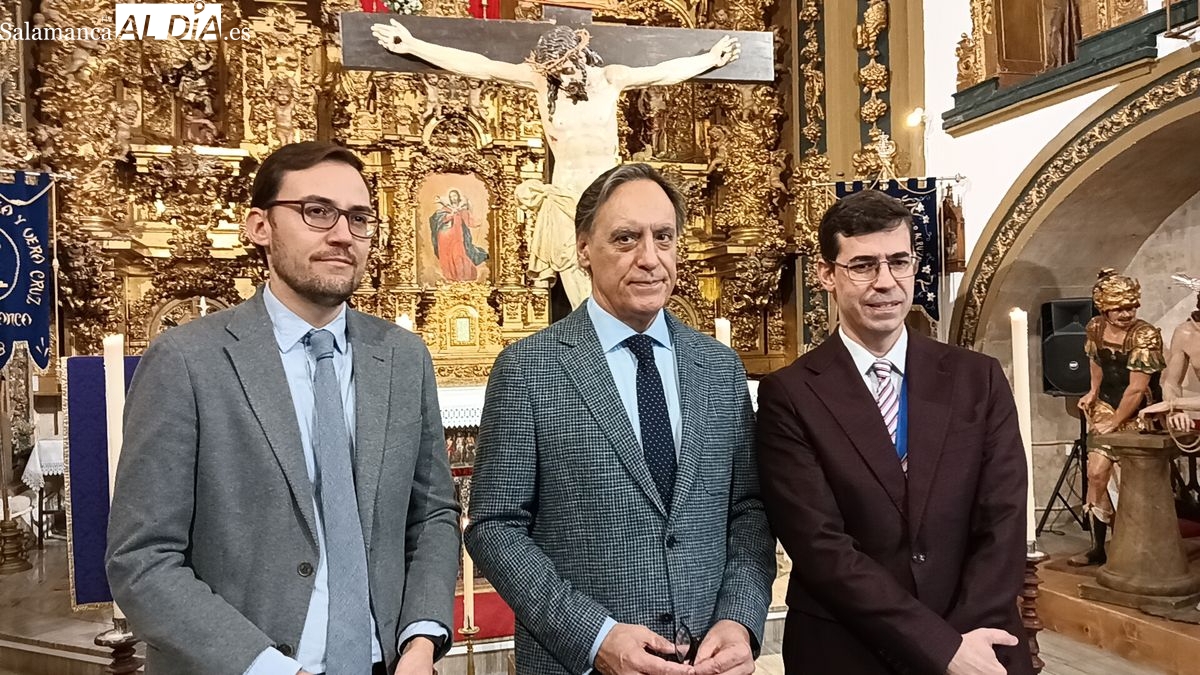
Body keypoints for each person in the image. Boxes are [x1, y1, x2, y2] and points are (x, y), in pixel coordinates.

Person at [106, 141, 461, 675]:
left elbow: (432, 513)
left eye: (359, 218)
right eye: (316, 211)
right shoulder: (188, 361)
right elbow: (142, 558)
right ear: (259, 227)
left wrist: (420, 640)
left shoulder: (402, 356)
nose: (342, 234)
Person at [464, 163, 775, 675]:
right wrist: (594, 637)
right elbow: (495, 526)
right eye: (626, 238)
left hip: (705, 661)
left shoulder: (718, 367)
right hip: (579, 665)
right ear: (584, 248)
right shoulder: (528, 369)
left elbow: (748, 509)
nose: (649, 258)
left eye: (663, 237)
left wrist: (739, 619)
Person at [756, 190, 1033, 675]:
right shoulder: (790, 394)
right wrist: (939, 647)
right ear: (827, 274)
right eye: (863, 266)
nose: (885, 282)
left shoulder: (978, 378)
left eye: (898, 262)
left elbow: (1004, 515)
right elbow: (820, 546)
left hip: (980, 641)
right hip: (849, 648)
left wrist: (966, 641)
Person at [372, 21, 739, 308]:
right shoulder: (541, 82)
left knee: (620, 272)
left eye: (566, 69)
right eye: (555, 74)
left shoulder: (610, 78)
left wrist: (709, 59)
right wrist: (414, 45)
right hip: (565, 201)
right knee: (578, 284)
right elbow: (483, 67)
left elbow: (663, 72)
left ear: (580, 56)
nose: (562, 79)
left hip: (610, 197)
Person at [1071, 268, 1165, 566]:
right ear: (1104, 308)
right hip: (1107, 406)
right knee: (1096, 474)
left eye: (1131, 307)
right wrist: (1092, 391)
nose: (1127, 314)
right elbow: (1096, 362)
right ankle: (1097, 547)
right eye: (1119, 308)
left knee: (1132, 483)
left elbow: (1137, 388)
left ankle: (1138, 549)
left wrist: (1115, 422)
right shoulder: (1095, 327)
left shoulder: (1145, 335)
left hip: (1139, 411)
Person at [430, 188, 488, 282]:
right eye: (451, 196)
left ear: (458, 197)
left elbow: (469, 221)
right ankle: (451, 278)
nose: (453, 198)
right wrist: (450, 215)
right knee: (447, 257)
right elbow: (439, 220)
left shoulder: (462, 210)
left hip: (458, 237)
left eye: (455, 196)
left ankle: (462, 277)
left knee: (458, 255)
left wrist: (479, 223)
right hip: (445, 237)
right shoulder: (445, 209)